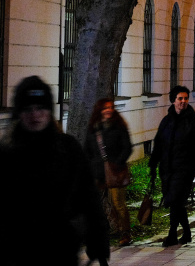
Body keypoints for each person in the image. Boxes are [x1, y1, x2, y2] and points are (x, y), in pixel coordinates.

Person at [0, 76, 109, 265]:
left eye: (40, 108)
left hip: (61, 250)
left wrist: (98, 240)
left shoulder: (68, 149)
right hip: (17, 251)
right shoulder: (7, 155)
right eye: (28, 109)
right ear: (19, 112)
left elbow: (89, 197)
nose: (35, 115)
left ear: (49, 111)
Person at [150, 85, 195, 246]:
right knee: (176, 202)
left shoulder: (194, 122)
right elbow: (159, 143)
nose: (183, 102)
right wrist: (153, 165)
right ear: (173, 101)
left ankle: (172, 235)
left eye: (185, 98)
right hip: (167, 169)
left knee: (175, 200)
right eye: (180, 98)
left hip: (185, 169)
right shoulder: (166, 121)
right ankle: (187, 233)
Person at [84, 97, 134, 246]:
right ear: (99, 110)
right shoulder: (93, 128)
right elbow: (87, 149)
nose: (108, 110)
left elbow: (127, 148)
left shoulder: (119, 127)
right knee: (98, 204)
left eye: (110, 107)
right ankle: (106, 230)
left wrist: (118, 163)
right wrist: (91, 167)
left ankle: (125, 233)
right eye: (105, 108)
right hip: (97, 173)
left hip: (115, 172)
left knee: (118, 204)